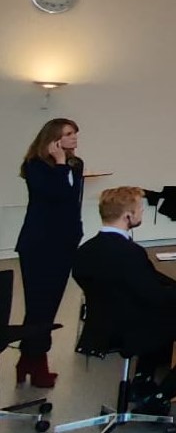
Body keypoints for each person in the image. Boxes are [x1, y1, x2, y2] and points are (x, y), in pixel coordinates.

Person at [72, 187, 176, 416]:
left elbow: (140, 290)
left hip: (101, 327)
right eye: (140, 209)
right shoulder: (131, 253)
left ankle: (142, 378)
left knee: (158, 314)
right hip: (133, 328)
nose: (142, 212)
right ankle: (162, 396)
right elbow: (156, 295)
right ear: (128, 216)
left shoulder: (84, 251)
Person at [16, 118, 83, 387]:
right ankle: (36, 360)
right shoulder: (35, 166)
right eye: (68, 134)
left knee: (50, 303)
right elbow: (54, 195)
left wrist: (77, 231)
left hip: (64, 242)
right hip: (39, 244)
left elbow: (72, 201)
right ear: (53, 139)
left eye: (75, 133)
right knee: (38, 305)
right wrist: (58, 163)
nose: (75, 138)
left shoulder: (75, 164)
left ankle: (28, 359)